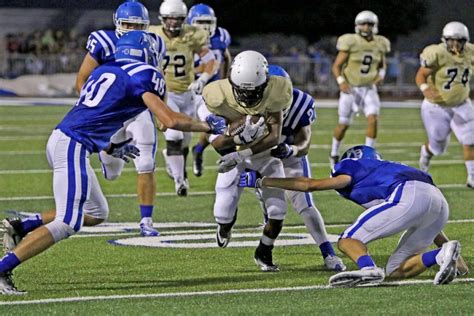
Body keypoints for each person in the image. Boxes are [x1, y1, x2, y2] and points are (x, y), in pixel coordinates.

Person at [0, 31, 226, 295]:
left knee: (96, 213)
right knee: (68, 222)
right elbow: (169, 121)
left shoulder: (106, 70)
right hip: (73, 144)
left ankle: (20, 227)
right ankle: (3, 266)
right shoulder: (145, 74)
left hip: (67, 139)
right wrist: (206, 125)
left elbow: (95, 113)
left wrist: (111, 145)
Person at [239, 145, 463, 287]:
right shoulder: (390, 168)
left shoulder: (353, 166)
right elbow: (426, 208)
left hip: (407, 194)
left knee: (348, 240)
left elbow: (310, 185)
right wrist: (458, 262)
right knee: (395, 270)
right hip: (438, 203)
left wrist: (262, 181)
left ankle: (368, 268)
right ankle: (441, 256)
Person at [75, 1, 165, 237]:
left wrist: (161, 111)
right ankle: (108, 152)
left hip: (137, 109)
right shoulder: (103, 41)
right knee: (112, 174)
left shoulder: (154, 42)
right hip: (111, 111)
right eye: (127, 24)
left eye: (138, 25)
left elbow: (156, 78)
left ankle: (146, 220)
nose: (133, 29)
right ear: (117, 22)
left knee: (146, 161)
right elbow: (82, 79)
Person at [201, 50, 293, 272]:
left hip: (263, 155)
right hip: (233, 154)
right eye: (243, 91)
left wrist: (244, 152)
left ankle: (264, 251)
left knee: (278, 210)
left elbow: (273, 136)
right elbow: (217, 143)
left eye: (254, 92)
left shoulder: (277, 90)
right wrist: (237, 139)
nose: (249, 97)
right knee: (222, 212)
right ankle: (225, 227)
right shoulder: (215, 95)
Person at [249, 65, 345, 272]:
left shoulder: (301, 103)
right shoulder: (249, 100)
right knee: (275, 211)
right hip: (260, 156)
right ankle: (264, 249)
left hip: (289, 154)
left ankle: (328, 253)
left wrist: (291, 150)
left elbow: (305, 143)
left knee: (305, 203)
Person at [149, 0, 217, 196]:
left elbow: (211, 60)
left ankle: (174, 161)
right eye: (169, 18)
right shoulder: (153, 33)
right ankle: (180, 182)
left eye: (177, 18)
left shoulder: (193, 34)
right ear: (162, 18)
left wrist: (203, 78)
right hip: (165, 93)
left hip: (187, 93)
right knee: (175, 136)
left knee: (185, 140)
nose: (173, 23)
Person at [329, 10, 390, 168]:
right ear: (357, 25)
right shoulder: (350, 41)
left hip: (369, 88)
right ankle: (334, 153)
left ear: (374, 26)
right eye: (363, 23)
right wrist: (341, 81)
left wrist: (381, 75)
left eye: (369, 24)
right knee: (343, 124)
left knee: (373, 118)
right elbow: (336, 65)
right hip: (350, 89)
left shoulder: (380, 43)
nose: (366, 27)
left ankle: (370, 155)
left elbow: (383, 64)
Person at [416, 21, 474, 188]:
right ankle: (426, 153)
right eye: (451, 40)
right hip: (436, 106)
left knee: (470, 139)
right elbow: (421, 74)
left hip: (462, 103)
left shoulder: (470, 52)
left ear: (466, 41)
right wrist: (425, 88)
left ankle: (472, 177)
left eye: (459, 41)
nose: (455, 45)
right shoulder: (436, 53)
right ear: (445, 40)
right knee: (438, 146)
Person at [186, 3, 232, 177]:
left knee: (215, 124)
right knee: (209, 126)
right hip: (191, 91)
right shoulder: (185, 39)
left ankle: (199, 150)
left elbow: (226, 57)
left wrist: (226, 80)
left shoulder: (221, 36)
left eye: (208, 22)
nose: (205, 26)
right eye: (200, 22)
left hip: (213, 91)